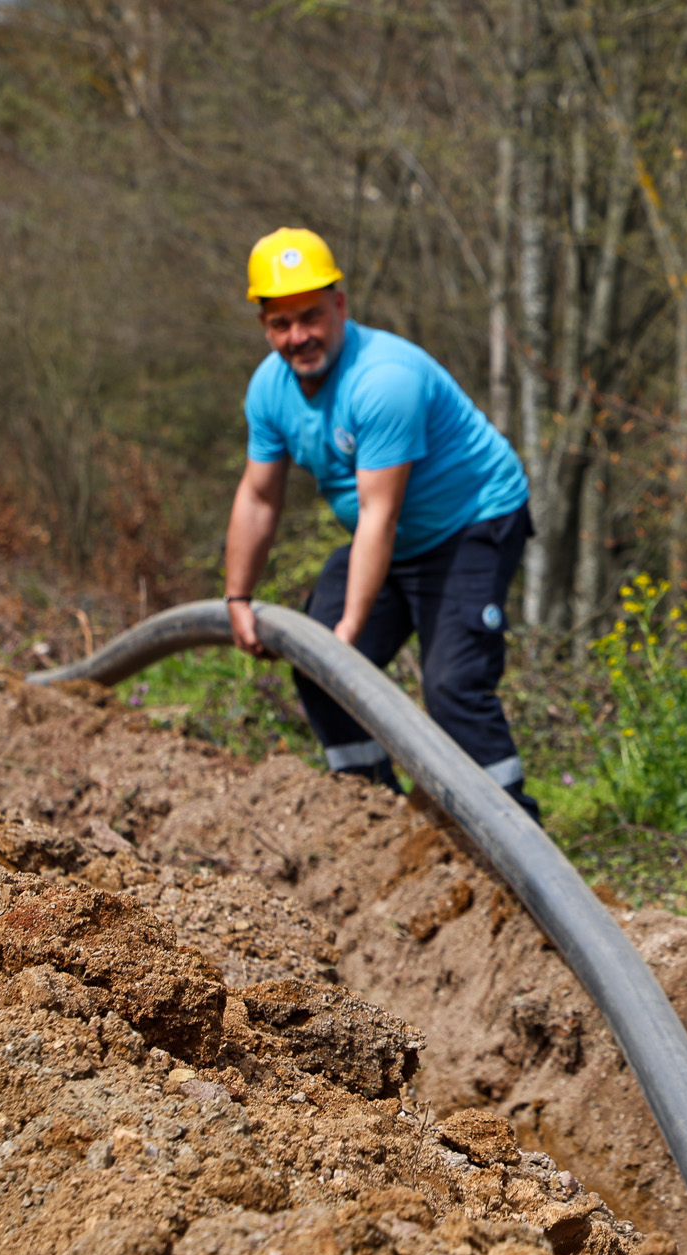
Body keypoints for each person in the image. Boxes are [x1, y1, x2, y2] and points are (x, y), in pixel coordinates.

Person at [223, 227, 539, 818]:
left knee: (451, 685)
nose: (299, 337)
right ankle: (368, 814)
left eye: (311, 317)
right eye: (282, 324)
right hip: (390, 536)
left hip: (471, 524)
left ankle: (513, 833)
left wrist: (347, 633)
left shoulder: (384, 379)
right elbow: (259, 497)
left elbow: (379, 513)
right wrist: (237, 597)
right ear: (265, 326)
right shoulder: (269, 389)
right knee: (316, 668)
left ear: (339, 306)